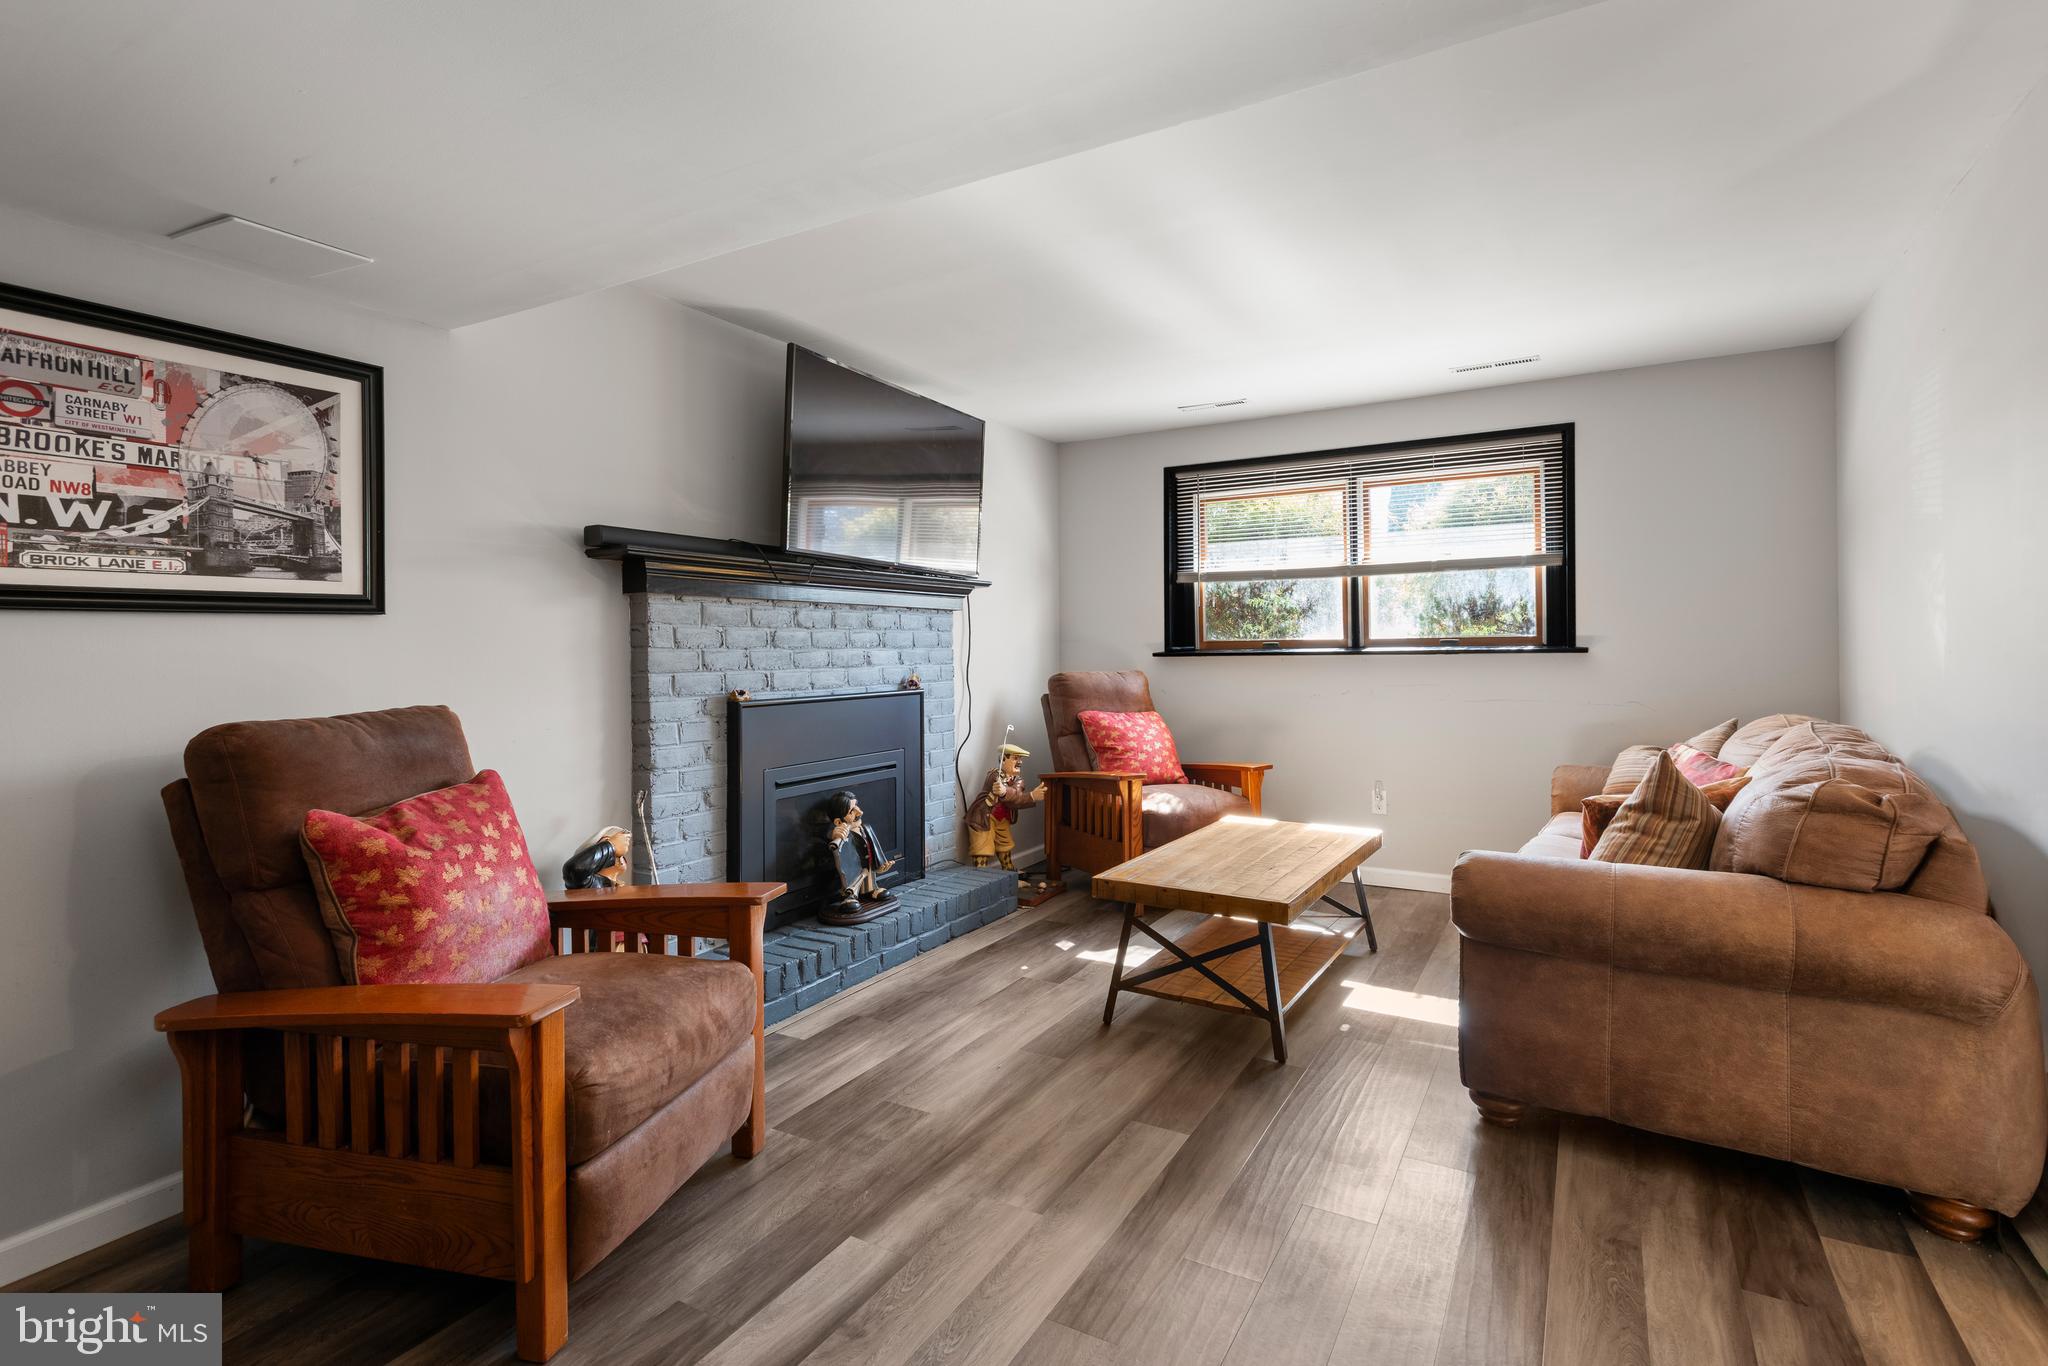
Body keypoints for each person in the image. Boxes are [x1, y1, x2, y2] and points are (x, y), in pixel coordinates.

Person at [966, 741, 1046, 873]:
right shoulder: (994, 775)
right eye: (1015, 758)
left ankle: (1009, 871)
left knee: (1005, 844)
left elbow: (1015, 799)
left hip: (1003, 818)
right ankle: (981, 876)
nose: (1019, 762)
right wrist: (1003, 790)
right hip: (984, 816)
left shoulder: (1018, 781)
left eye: (1020, 758)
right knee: (982, 846)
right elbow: (1004, 790)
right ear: (1003, 760)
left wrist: (1031, 796)